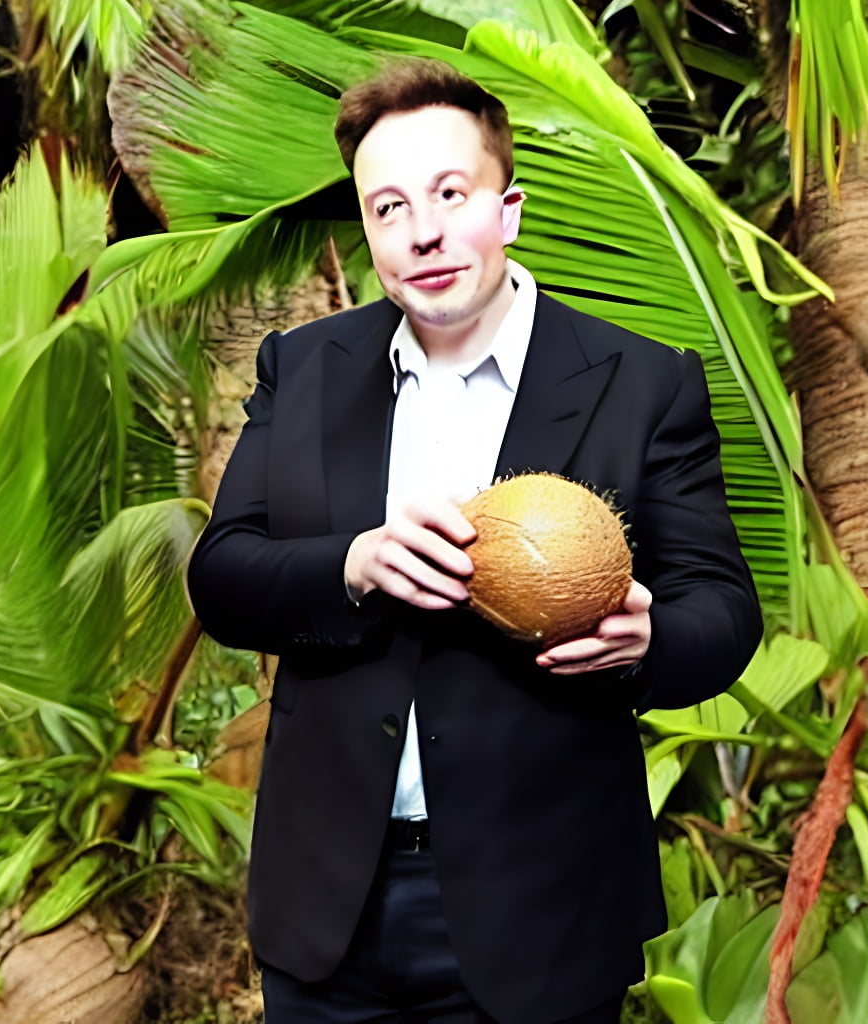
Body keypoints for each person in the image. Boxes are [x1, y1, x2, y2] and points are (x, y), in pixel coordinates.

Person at [187, 57, 762, 1024]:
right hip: (327, 910)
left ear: (509, 209)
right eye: (389, 208)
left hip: (544, 909)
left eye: (451, 194)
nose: (423, 231)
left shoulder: (641, 381)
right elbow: (223, 578)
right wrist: (354, 563)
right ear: (369, 229)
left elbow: (724, 610)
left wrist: (646, 640)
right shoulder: (305, 366)